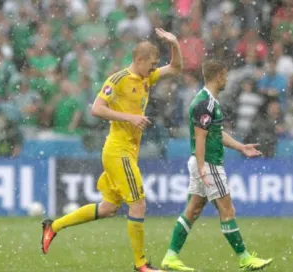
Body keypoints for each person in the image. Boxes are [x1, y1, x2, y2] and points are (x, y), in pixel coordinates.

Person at [40, 28, 183, 272]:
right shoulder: (118, 80)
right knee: (138, 204)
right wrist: (129, 117)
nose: (153, 68)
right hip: (118, 151)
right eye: (151, 64)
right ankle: (141, 265)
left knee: (107, 208)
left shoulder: (147, 78)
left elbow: (176, 68)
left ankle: (53, 226)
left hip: (128, 151)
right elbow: (96, 109)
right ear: (139, 60)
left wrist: (175, 43)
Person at [161, 60, 273, 271]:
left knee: (193, 210)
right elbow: (201, 137)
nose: (227, 79)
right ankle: (245, 258)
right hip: (209, 164)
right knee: (227, 210)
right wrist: (203, 168)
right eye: (226, 75)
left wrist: (241, 147)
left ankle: (170, 256)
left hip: (201, 163)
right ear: (219, 76)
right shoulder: (206, 103)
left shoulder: (207, 100)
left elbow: (215, 133)